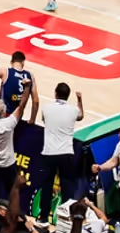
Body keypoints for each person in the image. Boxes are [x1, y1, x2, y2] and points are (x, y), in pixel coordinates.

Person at [32, 80, 87, 214]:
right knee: (67, 187)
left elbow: (45, 120)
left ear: (55, 93)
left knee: (47, 186)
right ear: (68, 96)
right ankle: (66, 216)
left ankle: (44, 217)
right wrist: (79, 100)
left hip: (49, 153)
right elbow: (81, 116)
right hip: (66, 153)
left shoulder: (46, 108)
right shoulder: (73, 110)